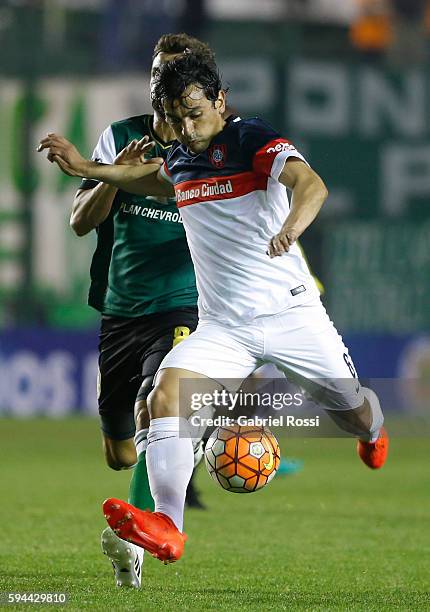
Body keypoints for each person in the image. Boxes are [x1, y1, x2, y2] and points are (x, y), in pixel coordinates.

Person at [38, 53, 389, 566]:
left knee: (355, 414)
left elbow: (312, 185)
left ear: (220, 102)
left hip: (293, 319)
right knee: (165, 398)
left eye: (196, 113)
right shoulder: (180, 156)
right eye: (177, 117)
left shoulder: (251, 139)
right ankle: (169, 526)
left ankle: (374, 432)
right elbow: (156, 180)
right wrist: (88, 169)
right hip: (225, 329)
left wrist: (291, 227)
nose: (187, 126)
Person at [62, 34, 217, 588]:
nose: (164, 86)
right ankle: (182, 449)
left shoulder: (213, 143)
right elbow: (81, 221)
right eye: (158, 73)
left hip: (185, 303)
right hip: (121, 307)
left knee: (163, 400)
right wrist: (112, 176)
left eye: (175, 75)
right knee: (121, 453)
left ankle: (137, 543)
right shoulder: (122, 136)